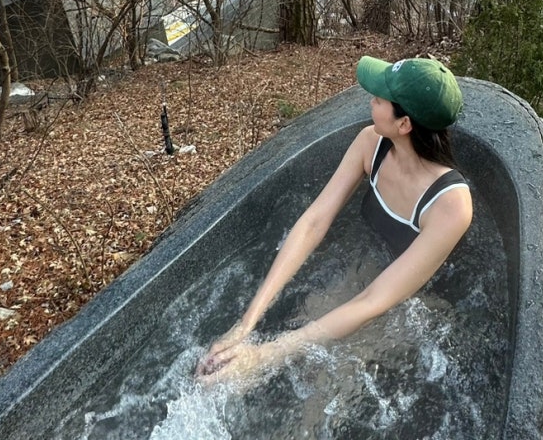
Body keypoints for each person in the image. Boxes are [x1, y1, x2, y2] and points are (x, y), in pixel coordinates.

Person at [196, 55, 472, 385]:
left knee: (328, 382)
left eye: (380, 98)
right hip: (367, 266)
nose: (371, 100)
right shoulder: (371, 143)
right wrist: (247, 323)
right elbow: (314, 222)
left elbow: (375, 300)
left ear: (404, 125)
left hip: (412, 305)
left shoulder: (451, 205)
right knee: (303, 325)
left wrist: (264, 356)